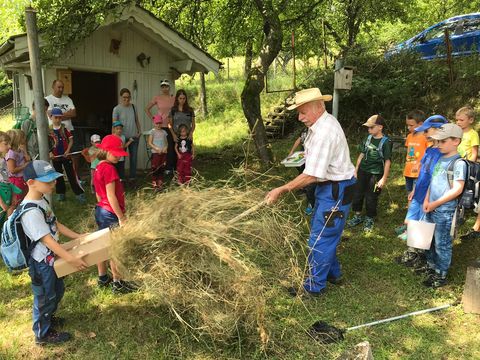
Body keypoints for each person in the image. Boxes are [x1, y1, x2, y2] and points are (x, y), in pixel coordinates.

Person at [265, 88, 356, 297]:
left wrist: (282, 189)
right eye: (299, 112)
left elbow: (312, 175)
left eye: (303, 112)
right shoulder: (321, 123)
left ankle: (313, 287)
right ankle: (334, 273)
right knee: (323, 232)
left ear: (319, 107)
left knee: (319, 238)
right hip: (331, 187)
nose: (299, 117)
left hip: (336, 190)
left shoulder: (324, 132)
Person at [21, 160, 88, 345]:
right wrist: (72, 259)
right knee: (44, 297)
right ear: (31, 182)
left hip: (51, 258)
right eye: (48, 181)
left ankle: (48, 317)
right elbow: (47, 240)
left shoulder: (41, 199)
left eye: (53, 180)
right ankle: (42, 334)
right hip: (42, 263)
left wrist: (78, 237)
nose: (53, 184)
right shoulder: (30, 212)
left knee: (57, 291)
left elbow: (54, 223)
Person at [395, 115, 448, 265]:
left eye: (426, 131)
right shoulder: (430, 149)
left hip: (429, 195)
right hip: (419, 192)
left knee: (423, 224)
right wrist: (414, 189)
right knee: (411, 221)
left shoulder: (442, 154)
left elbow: (437, 178)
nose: (423, 134)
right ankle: (412, 252)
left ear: (439, 130)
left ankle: (419, 255)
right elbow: (422, 171)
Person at [420, 123, 466, 288]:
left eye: (442, 142)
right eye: (437, 142)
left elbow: (457, 189)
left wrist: (435, 203)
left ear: (456, 141)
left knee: (442, 242)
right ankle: (431, 266)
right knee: (429, 239)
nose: (438, 145)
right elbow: (433, 182)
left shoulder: (459, 163)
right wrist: (427, 200)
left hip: (444, 211)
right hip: (431, 206)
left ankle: (441, 274)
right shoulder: (440, 158)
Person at [93, 135, 136, 293]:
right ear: (105, 151)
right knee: (115, 248)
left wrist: (101, 207)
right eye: (115, 153)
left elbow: (98, 194)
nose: (118, 156)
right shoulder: (110, 169)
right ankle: (118, 283)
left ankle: (103, 277)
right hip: (110, 213)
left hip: (101, 211)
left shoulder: (98, 166)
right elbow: (111, 196)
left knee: (102, 245)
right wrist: (121, 217)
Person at [347, 115, 392, 232]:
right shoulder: (368, 138)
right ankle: (357, 215)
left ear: (380, 127)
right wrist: (356, 170)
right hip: (362, 171)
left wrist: (383, 179)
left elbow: (387, 161)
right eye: (368, 128)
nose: (369, 130)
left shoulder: (386, 142)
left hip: (376, 175)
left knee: (372, 197)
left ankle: (369, 218)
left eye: (371, 127)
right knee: (357, 194)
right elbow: (362, 154)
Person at [48, 108, 86, 203]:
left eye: (60, 118)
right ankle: (61, 194)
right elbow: (48, 143)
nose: (57, 120)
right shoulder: (49, 131)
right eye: (56, 117)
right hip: (56, 158)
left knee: (71, 175)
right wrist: (50, 152)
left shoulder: (64, 129)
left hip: (66, 156)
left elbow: (71, 140)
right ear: (51, 117)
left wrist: (68, 150)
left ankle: (79, 194)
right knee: (58, 175)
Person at [45, 80, 80, 174]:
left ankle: (75, 176)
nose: (61, 89)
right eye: (58, 87)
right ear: (53, 87)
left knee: (73, 153)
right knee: (58, 156)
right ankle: (61, 177)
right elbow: (50, 115)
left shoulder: (68, 99)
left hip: (69, 130)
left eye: (62, 87)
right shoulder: (48, 99)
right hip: (55, 132)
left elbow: (74, 113)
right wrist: (66, 114)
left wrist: (58, 115)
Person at [145, 79, 175, 173]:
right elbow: (147, 109)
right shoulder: (157, 98)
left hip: (171, 126)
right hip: (160, 126)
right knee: (159, 147)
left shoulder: (173, 98)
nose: (164, 88)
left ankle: (169, 168)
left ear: (169, 87)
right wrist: (154, 119)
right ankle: (158, 167)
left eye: (166, 86)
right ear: (161, 88)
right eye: (162, 86)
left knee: (170, 147)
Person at [112, 88, 141, 182]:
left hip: (133, 137)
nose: (127, 99)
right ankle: (121, 179)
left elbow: (136, 120)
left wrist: (139, 131)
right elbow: (114, 124)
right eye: (124, 97)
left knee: (134, 158)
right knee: (121, 160)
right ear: (121, 97)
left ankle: (133, 178)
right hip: (122, 138)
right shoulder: (116, 109)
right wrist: (114, 138)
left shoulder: (133, 107)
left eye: (128, 97)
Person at [287, 128, 316, 214]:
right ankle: (303, 188)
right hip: (303, 154)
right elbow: (299, 140)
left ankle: (311, 202)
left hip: (313, 158)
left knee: (311, 180)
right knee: (302, 171)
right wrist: (292, 151)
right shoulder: (304, 130)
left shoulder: (317, 131)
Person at [168, 89, 195, 171]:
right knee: (177, 154)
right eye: (180, 98)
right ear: (177, 99)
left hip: (187, 136)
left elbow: (193, 124)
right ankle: (177, 173)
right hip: (177, 136)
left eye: (184, 98)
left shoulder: (190, 110)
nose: (182, 100)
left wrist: (190, 133)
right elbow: (169, 124)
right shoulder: (173, 110)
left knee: (187, 154)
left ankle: (187, 173)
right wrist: (173, 135)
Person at [0, 131, 22, 224]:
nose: (9, 146)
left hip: (6, 190)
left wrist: (13, 194)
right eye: (6, 144)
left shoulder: (3, 160)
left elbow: (7, 177)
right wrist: (1, 203)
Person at [5, 129, 30, 204]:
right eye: (22, 137)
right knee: (16, 202)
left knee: (24, 199)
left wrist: (25, 151)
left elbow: (28, 160)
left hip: (23, 178)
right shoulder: (11, 154)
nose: (24, 139)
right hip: (16, 180)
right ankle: (13, 215)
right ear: (16, 140)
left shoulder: (20, 150)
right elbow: (12, 170)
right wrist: (24, 166)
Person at [148, 114, 168, 190]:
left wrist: (165, 148)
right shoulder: (152, 132)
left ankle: (160, 182)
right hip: (156, 153)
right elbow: (150, 142)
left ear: (162, 123)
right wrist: (156, 149)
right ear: (154, 123)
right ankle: (154, 183)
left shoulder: (164, 132)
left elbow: (166, 143)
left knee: (162, 167)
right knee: (155, 168)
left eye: (160, 123)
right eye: (157, 123)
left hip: (163, 153)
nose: (158, 125)